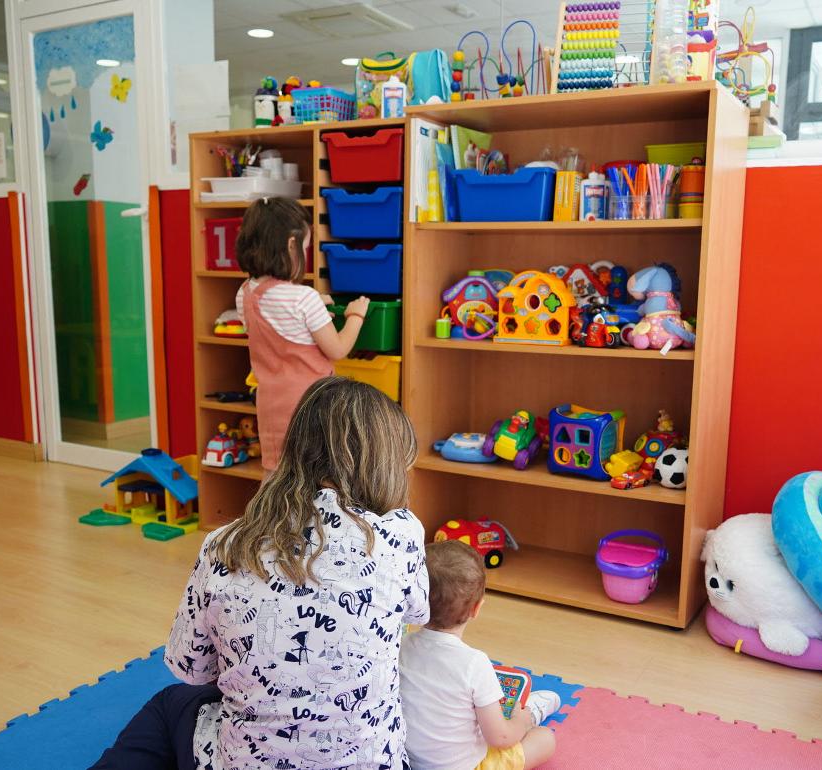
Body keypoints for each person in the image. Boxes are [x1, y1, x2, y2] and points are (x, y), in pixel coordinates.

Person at [91, 377, 427, 770]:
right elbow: (419, 613)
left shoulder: (225, 545)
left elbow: (192, 670)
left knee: (172, 703)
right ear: (383, 464)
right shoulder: (402, 534)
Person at [234, 197, 370, 471]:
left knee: (278, 473)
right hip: (310, 405)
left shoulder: (245, 293)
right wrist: (356, 315)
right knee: (313, 475)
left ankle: (271, 515)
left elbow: (277, 326)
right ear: (291, 246)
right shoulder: (303, 298)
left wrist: (314, 307)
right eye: (305, 247)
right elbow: (338, 348)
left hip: (270, 404)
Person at [399, 540, 559, 770]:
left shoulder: (402, 646)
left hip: (410, 762)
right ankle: (531, 714)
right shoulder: (475, 664)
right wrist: (520, 723)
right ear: (476, 608)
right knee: (545, 739)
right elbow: (500, 738)